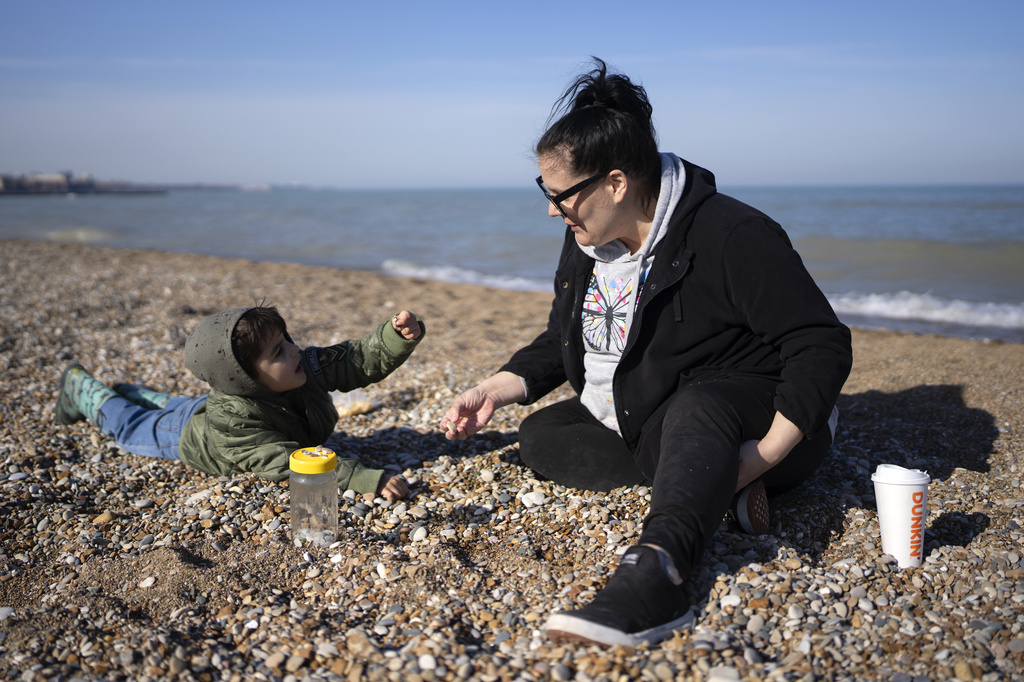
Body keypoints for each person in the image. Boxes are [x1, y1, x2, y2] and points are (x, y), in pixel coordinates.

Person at [440, 58, 852, 648]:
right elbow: (568, 336)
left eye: (561, 196)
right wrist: (495, 388)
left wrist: (758, 459)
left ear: (615, 183)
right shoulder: (588, 237)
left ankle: (659, 570)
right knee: (542, 435)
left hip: (761, 412)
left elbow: (821, 344)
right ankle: (705, 485)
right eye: (545, 192)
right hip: (651, 415)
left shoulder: (731, 234)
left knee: (696, 411)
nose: (551, 209)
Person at [55, 305, 424, 501]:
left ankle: (132, 390)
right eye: (278, 351)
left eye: (288, 340)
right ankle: (81, 387)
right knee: (131, 427)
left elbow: (351, 360)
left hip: (203, 408)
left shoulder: (298, 367)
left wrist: (391, 338)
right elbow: (283, 461)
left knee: (178, 403)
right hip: (190, 437)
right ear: (244, 379)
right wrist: (360, 478)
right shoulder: (231, 418)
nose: (296, 351)